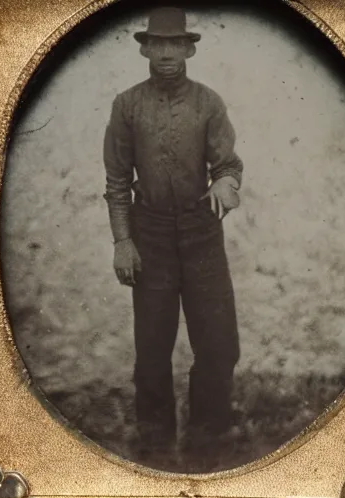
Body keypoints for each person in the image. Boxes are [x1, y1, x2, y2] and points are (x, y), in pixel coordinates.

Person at [103, 6, 243, 466]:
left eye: (174, 44)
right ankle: (155, 452)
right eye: (157, 44)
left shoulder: (209, 102)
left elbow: (226, 165)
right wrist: (123, 241)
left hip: (202, 233)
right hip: (152, 236)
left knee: (219, 344)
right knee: (152, 349)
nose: (166, 53)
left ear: (188, 48)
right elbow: (118, 183)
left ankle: (209, 446)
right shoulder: (126, 105)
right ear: (145, 48)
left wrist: (225, 182)